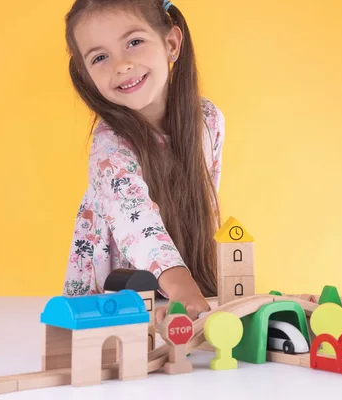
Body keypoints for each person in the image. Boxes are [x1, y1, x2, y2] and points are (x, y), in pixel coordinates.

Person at [61, 0, 225, 324]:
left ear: (171, 44)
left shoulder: (208, 120)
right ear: (86, 74)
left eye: (134, 42)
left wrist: (200, 284)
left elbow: (206, 201)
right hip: (112, 301)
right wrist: (180, 285)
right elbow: (133, 219)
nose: (121, 65)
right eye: (100, 57)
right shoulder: (109, 144)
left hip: (182, 293)